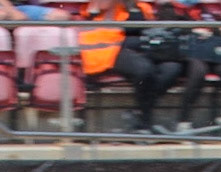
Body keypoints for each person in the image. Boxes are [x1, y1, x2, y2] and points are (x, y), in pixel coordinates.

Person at [80, 0, 186, 133]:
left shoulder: (141, 7)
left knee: (172, 68)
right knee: (144, 70)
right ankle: (145, 123)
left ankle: (138, 113)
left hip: (143, 47)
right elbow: (100, 7)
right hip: (112, 48)